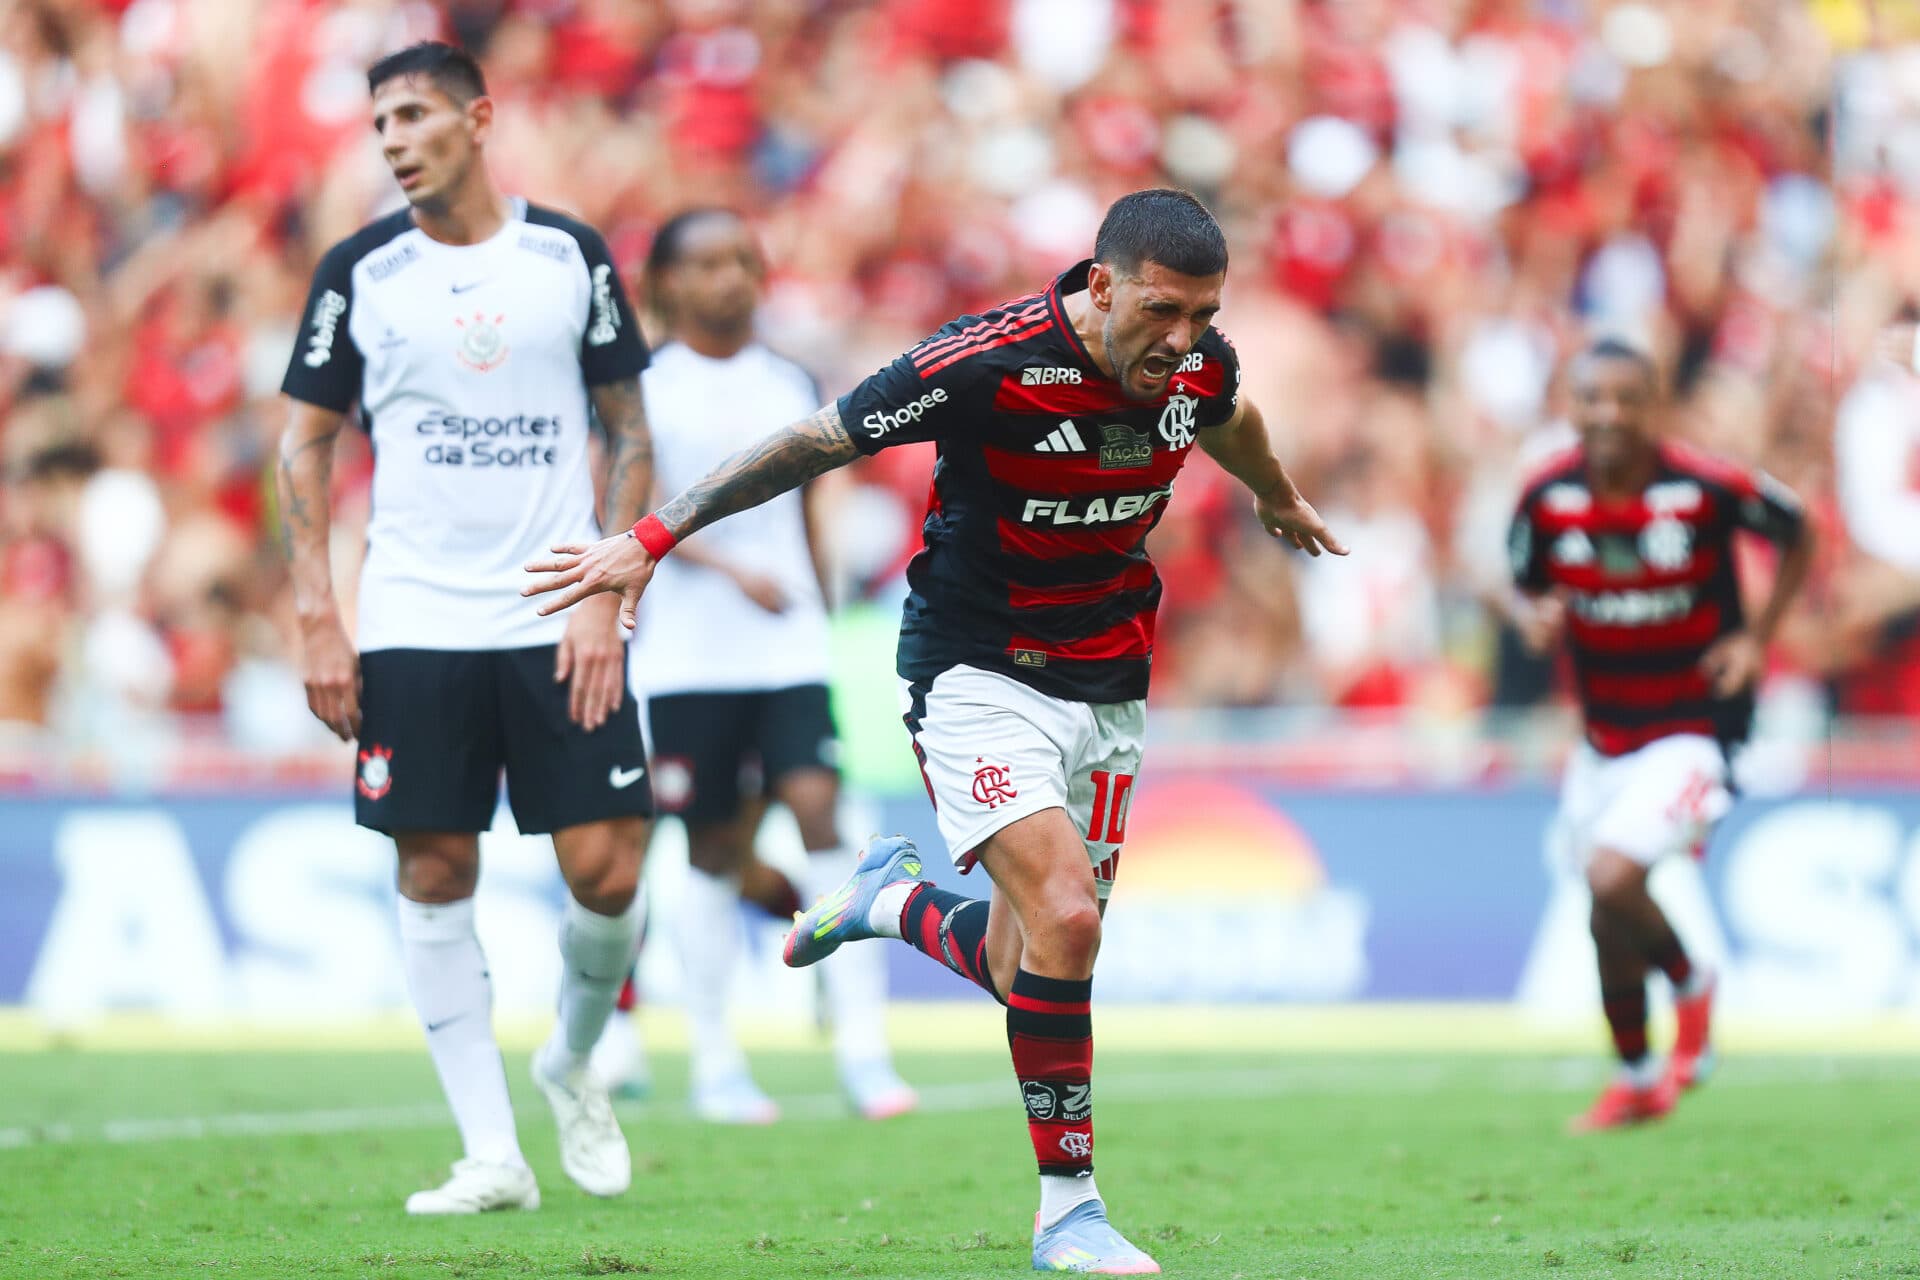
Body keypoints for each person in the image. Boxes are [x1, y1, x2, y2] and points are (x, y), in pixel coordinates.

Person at [526, 188, 1347, 1274]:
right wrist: (654, 534)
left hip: (1109, 680)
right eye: (1162, 310)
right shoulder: (984, 362)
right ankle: (1071, 1211)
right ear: (1100, 285)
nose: (1183, 337)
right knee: (1068, 917)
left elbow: (1229, 414)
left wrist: (1276, 495)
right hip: (976, 670)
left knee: (1032, 965)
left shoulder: (1198, 363)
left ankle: (891, 899)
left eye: (1202, 313)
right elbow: (812, 442)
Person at [277, 42, 656, 1214]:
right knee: (436, 865)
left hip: (554, 607)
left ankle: (571, 1055)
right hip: (414, 618)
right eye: (378, 120)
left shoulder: (566, 255)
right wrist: (317, 612)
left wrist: (605, 585)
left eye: (414, 114)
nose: (392, 138)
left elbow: (631, 432)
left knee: (608, 869)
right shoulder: (359, 271)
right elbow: (305, 440)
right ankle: (492, 1151)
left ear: (478, 118)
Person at [589, 208, 917, 1124]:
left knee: (822, 810)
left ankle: (863, 1050)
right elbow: (623, 507)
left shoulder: (790, 378)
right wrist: (727, 568)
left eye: (741, 260)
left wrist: (825, 600)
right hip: (688, 656)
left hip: (786, 646)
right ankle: (717, 1061)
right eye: (704, 264)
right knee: (711, 846)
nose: (728, 278)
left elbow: (818, 500)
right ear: (665, 283)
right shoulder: (643, 385)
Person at [1504, 339, 1812, 1133]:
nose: (1608, 414)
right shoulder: (1546, 498)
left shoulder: (1704, 487)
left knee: (1611, 879)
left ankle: (1690, 977)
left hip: (1695, 729)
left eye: (1625, 398)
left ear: (1655, 407)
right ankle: (1639, 1078)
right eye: (1592, 398)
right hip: (1604, 741)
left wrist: (1759, 637)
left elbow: (1797, 526)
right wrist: (1533, 618)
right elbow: (1525, 586)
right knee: (1605, 916)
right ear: (1571, 407)